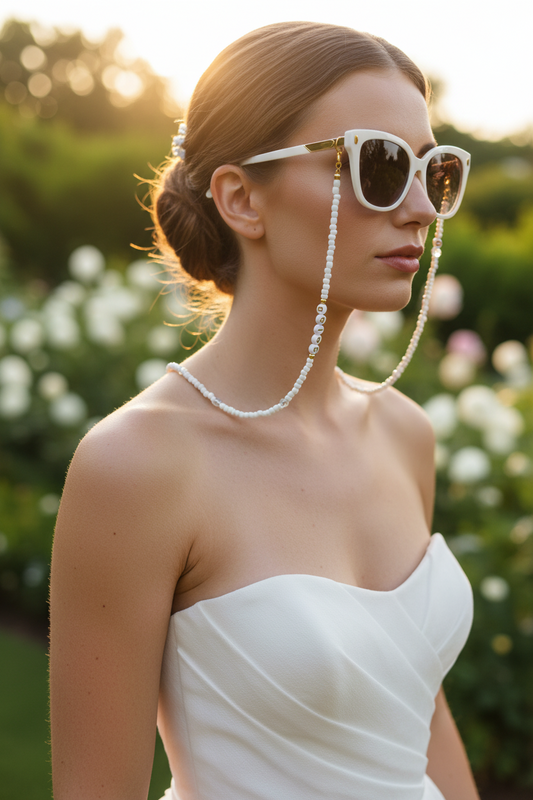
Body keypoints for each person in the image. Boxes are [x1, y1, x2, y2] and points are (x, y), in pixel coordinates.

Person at [49, 21, 480, 800]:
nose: (420, 207)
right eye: (377, 165)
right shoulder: (137, 465)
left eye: (434, 170)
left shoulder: (404, 434)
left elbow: (417, 715)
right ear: (241, 198)